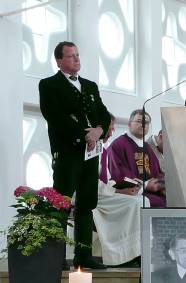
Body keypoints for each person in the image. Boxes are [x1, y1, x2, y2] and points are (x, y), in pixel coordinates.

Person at [39, 41, 110, 269]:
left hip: (90, 155)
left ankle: (84, 256)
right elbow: (55, 118)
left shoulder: (90, 85)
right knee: (61, 204)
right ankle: (56, 257)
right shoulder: (49, 85)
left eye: (78, 55)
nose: (77, 59)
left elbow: (103, 114)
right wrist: (84, 135)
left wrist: (99, 131)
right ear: (59, 61)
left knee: (87, 204)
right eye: (71, 56)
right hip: (68, 154)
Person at [92, 114, 146, 267]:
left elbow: (107, 180)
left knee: (143, 200)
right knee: (134, 204)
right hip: (93, 196)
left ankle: (137, 251)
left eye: (113, 129)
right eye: (109, 129)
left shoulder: (103, 150)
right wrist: (121, 192)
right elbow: (91, 182)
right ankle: (122, 254)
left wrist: (125, 188)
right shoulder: (91, 147)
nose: (110, 134)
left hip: (104, 193)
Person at [107, 109, 166, 208]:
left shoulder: (147, 147)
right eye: (139, 121)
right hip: (131, 192)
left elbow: (157, 172)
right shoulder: (118, 145)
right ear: (129, 124)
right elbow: (118, 173)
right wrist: (145, 185)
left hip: (151, 192)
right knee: (154, 203)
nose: (143, 125)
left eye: (146, 123)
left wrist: (160, 183)